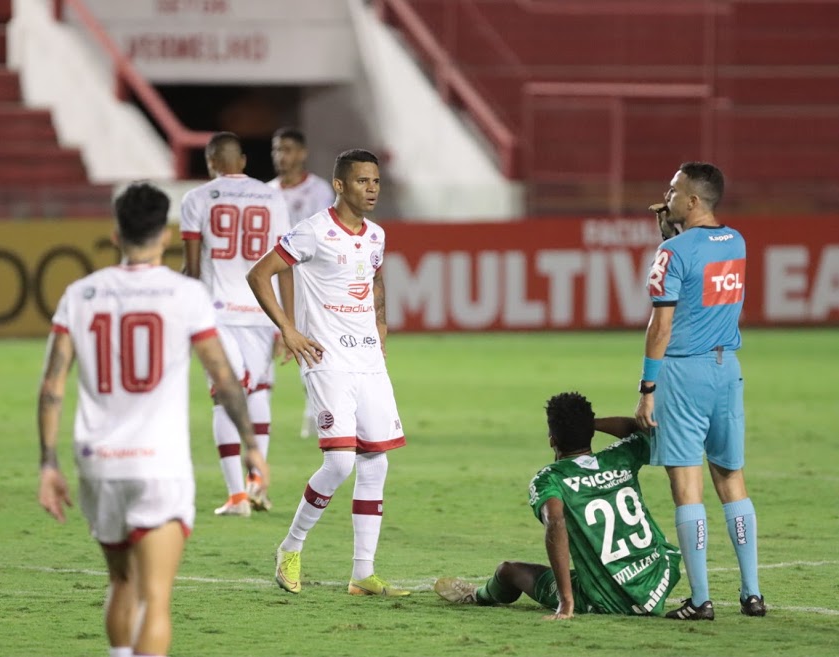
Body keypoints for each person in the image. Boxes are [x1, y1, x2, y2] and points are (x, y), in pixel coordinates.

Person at [36, 182, 267, 657]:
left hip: (99, 463)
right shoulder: (185, 295)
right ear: (165, 235)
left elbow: (52, 386)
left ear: (116, 234)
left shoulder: (81, 294)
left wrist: (47, 464)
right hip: (159, 464)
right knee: (155, 598)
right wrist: (251, 442)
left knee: (121, 582)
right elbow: (223, 376)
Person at [247, 148, 409, 597]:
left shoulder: (376, 235)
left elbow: (375, 279)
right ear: (339, 185)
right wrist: (288, 330)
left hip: (368, 361)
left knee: (376, 460)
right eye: (362, 181)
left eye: (375, 181)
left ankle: (362, 573)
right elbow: (260, 274)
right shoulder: (313, 231)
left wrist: (381, 325)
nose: (371, 189)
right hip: (327, 360)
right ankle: (290, 547)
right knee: (339, 462)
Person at [636, 161, 765, 620]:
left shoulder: (673, 254)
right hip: (726, 368)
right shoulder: (737, 242)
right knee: (732, 478)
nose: (665, 197)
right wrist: (674, 242)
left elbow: (661, 324)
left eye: (673, 191)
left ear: (692, 201)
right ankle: (752, 593)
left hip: (683, 374)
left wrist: (647, 386)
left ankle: (700, 599)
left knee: (686, 487)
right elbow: (704, 286)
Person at [434, 392, 682, 619]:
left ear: (552, 439)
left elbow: (555, 520)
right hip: (658, 576)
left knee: (509, 571)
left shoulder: (550, 479)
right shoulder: (621, 456)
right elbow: (641, 429)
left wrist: (566, 602)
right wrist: (587, 424)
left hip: (612, 598)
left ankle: (477, 594)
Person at [180, 132, 292, 516]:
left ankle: (237, 496)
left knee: (224, 395)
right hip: (262, 311)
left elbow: (193, 268)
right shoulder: (273, 196)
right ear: (242, 161)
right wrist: (286, 324)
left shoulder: (196, 199)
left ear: (211, 163)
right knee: (257, 392)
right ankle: (256, 481)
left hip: (218, 313)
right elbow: (285, 263)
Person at [267, 126, 337, 439]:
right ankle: (259, 411)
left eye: (288, 150)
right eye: (277, 150)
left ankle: (316, 411)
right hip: (272, 278)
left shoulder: (320, 191)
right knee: (266, 344)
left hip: (308, 281)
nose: (282, 157)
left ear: (302, 153)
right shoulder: (265, 192)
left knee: (311, 346)